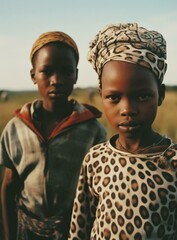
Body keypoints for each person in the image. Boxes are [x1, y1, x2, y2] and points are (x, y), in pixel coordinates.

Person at [69, 23, 177, 239]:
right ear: (101, 95)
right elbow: (80, 227)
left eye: (142, 96)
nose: (127, 109)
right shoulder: (96, 159)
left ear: (160, 94)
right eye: (114, 98)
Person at [0, 31, 106, 240]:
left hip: (74, 230)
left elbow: (98, 195)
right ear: (33, 75)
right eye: (47, 72)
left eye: (66, 72)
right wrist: (9, 234)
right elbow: (8, 187)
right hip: (27, 231)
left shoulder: (92, 130)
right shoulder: (15, 128)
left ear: (75, 75)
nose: (56, 80)